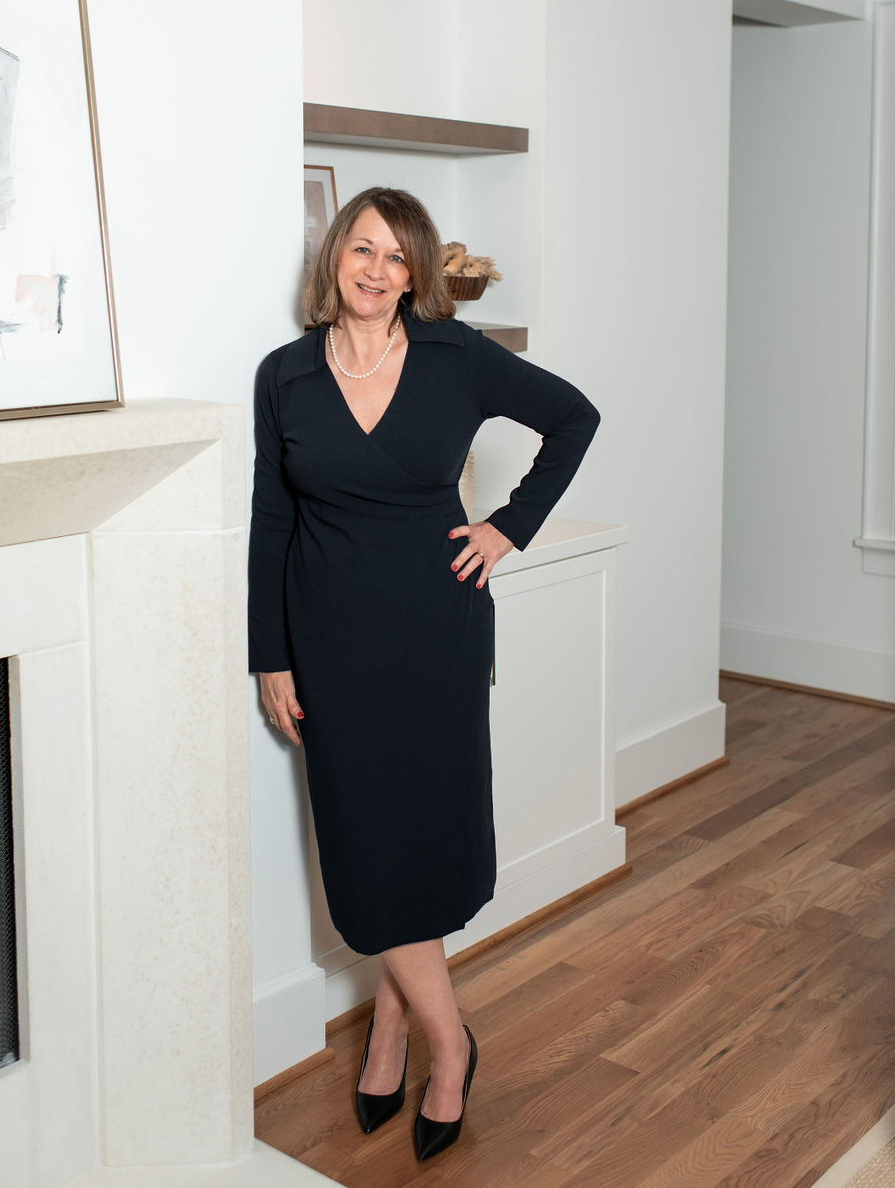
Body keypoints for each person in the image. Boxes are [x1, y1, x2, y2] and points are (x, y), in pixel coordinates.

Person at [248, 186, 599, 1161]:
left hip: (436, 634)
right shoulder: (285, 375)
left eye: (398, 257)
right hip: (329, 643)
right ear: (335, 256)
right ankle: (444, 1037)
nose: (376, 270)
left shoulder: (455, 356)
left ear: (418, 276)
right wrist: (269, 652)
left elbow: (574, 417)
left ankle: (406, 1035)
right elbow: (272, 521)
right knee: (365, 850)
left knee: (425, 838)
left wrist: (508, 528)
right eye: (362, 248)